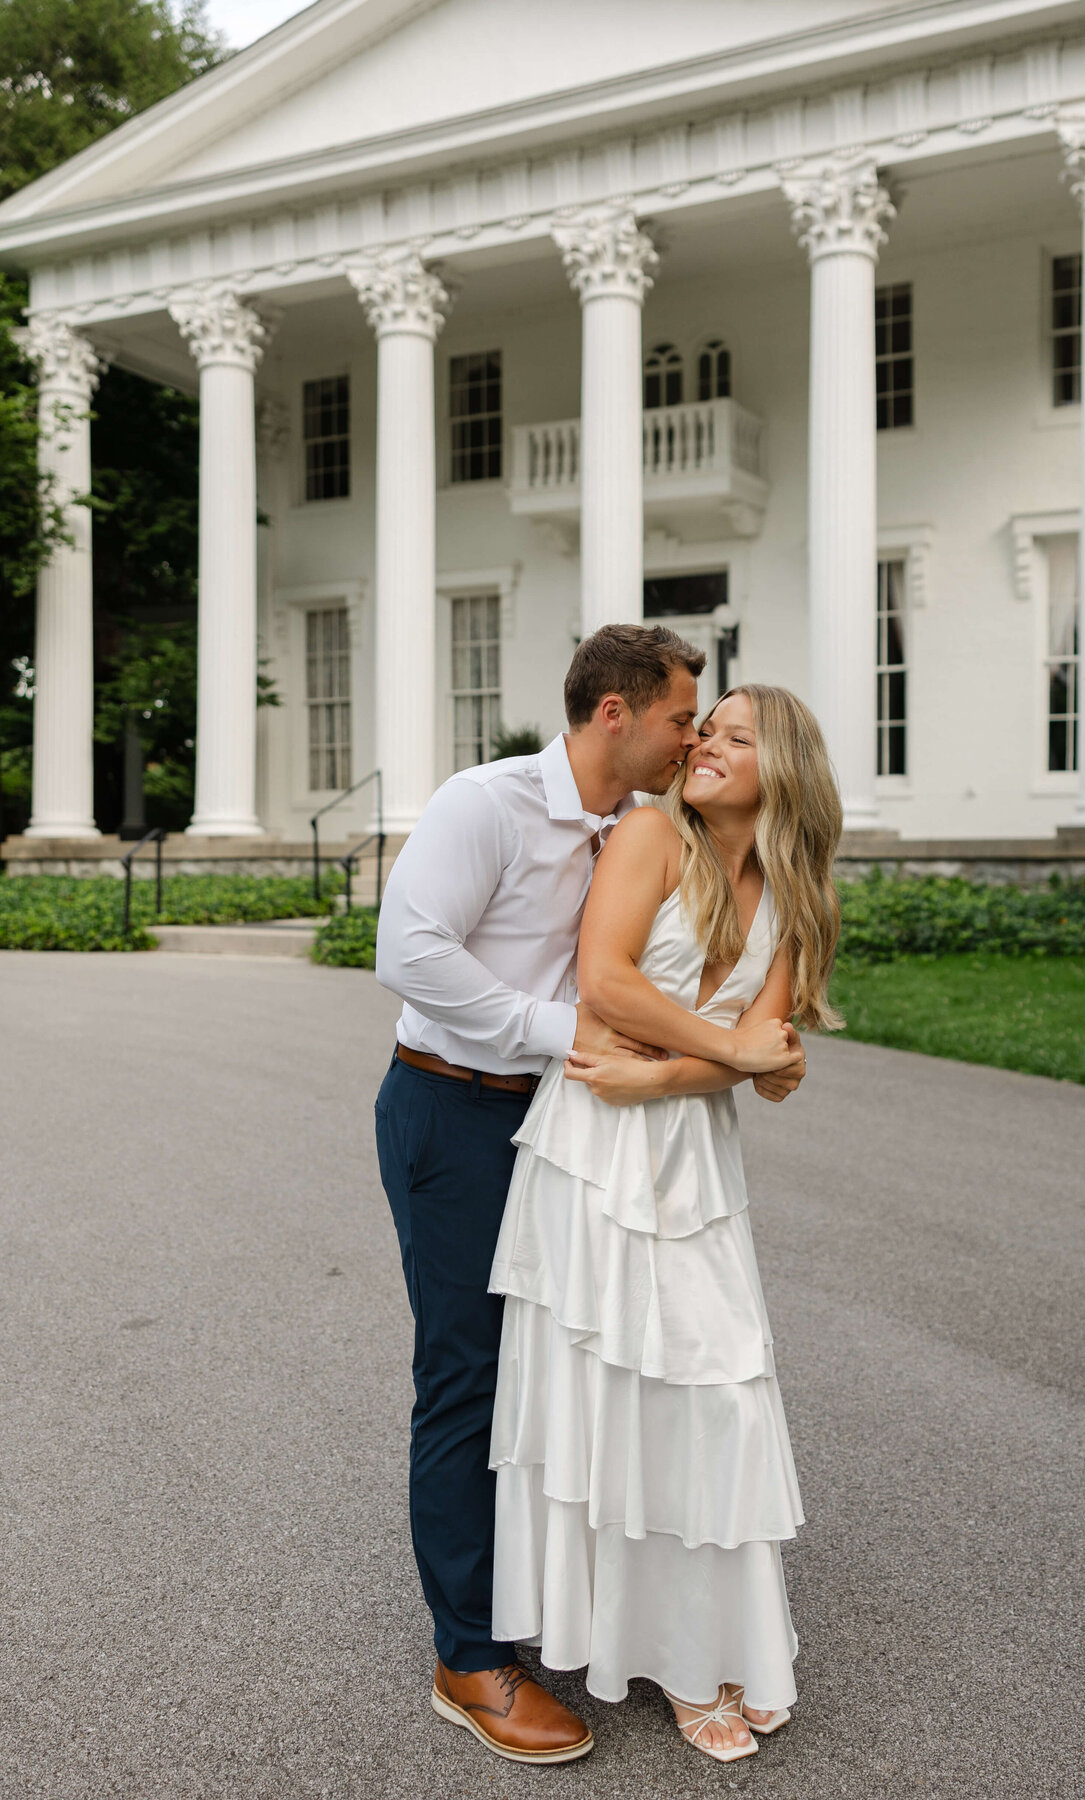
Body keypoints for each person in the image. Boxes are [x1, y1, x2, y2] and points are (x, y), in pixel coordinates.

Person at [373, 627, 805, 1766]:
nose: (694, 736)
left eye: (713, 727)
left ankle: (578, 1604)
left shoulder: (646, 828)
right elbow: (409, 953)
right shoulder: (489, 803)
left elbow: (752, 1015)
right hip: (458, 1106)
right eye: (683, 719)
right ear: (618, 715)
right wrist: (567, 1033)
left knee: (578, 1368)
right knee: (469, 1373)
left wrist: (712, 1059)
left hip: (581, 1121)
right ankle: (470, 1657)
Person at [488, 683, 843, 1764]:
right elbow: (604, 985)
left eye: (735, 737)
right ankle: (678, 1664)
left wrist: (684, 1075)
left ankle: (720, 1643)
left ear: (781, 768)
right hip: (592, 1158)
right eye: (707, 727)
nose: (704, 745)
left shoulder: (799, 889)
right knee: (624, 1396)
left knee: (719, 1399)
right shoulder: (649, 836)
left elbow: (774, 1047)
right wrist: (731, 1055)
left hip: (686, 1152)